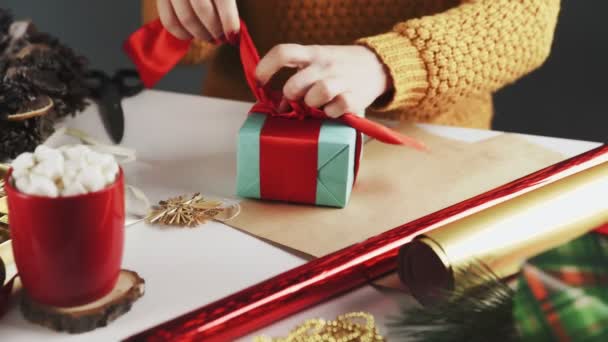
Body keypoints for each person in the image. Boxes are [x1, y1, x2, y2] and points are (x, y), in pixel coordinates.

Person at [143, 0, 560, 129]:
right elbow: (183, 45)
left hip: (428, 145)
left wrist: (384, 64)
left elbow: (527, 17)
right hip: (240, 137)